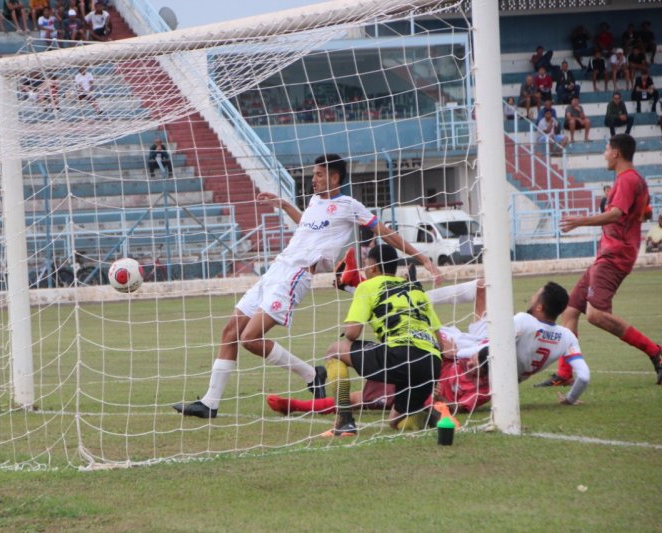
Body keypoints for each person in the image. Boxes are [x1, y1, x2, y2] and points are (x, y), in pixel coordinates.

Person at [172, 154, 441, 419]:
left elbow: (384, 232)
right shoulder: (313, 202)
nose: (313, 179)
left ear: (334, 177)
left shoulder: (349, 205)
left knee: (250, 338)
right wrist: (284, 205)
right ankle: (210, 403)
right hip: (275, 270)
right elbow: (307, 227)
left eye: (319, 174)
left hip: (296, 276)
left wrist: (421, 257)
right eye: (313, 174)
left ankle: (310, 373)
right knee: (230, 331)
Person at [268, 278, 590, 419]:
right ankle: (406, 296)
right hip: (486, 387)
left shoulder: (521, 320)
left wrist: (452, 353)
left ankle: (298, 406)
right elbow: (584, 376)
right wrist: (569, 399)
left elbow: (486, 352)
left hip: (460, 371)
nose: (530, 297)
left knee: (382, 390)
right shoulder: (566, 337)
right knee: (479, 287)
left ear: (538, 305)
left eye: (534, 295)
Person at [537, 134, 661, 387]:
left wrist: (579, 221)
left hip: (615, 256)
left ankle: (656, 352)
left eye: (606, 149)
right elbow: (643, 211)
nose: (604, 154)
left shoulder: (627, 180)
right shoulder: (633, 180)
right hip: (607, 254)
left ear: (616, 153)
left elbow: (615, 214)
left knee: (596, 315)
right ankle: (564, 373)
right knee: (570, 309)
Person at [314, 244, 444, 436]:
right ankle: (433, 417)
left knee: (335, 350)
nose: (364, 270)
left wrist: (348, 324)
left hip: (400, 354)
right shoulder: (415, 289)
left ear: (373, 268)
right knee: (395, 420)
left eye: (366, 265)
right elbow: (440, 342)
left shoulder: (367, 286)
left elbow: (352, 334)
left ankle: (344, 421)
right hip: (431, 363)